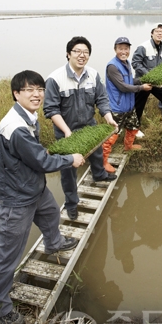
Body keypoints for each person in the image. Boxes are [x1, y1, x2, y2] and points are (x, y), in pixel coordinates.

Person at [0, 70, 85, 324]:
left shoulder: (28, 117)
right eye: (29, 90)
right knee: (8, 255)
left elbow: (35, 153)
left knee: (52, 212)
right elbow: (41, 160)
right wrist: (70, 159)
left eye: (40, 89)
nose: (36, 94)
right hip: (17, 199)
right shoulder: (16, 128)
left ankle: (54, 242)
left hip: (33, 188)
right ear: (16, 93)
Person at [44, 36, 118, 221]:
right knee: (68, 169)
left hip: (89, 125)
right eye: (77, 51)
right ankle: (71, 203)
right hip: (65, 131)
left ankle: (99, 175)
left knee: (97, 152)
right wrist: (67, 131)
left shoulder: (93, 74)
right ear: (68, 54)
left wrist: (108, 117)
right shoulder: (55, 79)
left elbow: (101, 98)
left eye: (85, 52)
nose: (81, 55)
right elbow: (51, 109)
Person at [102, 36, 152, 163]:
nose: (123, 52)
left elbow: (129, 81)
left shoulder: (127, 63)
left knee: (134, 127)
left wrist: (143, 79)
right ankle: (103, 161)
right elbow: (123, 87)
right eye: (120, 49)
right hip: (117, 108)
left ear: (129, 50)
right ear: (115, 50)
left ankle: (128, 146)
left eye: (126, 49)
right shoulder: (112, 66)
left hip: (129, 106)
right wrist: (141, 87)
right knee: (112, 135)